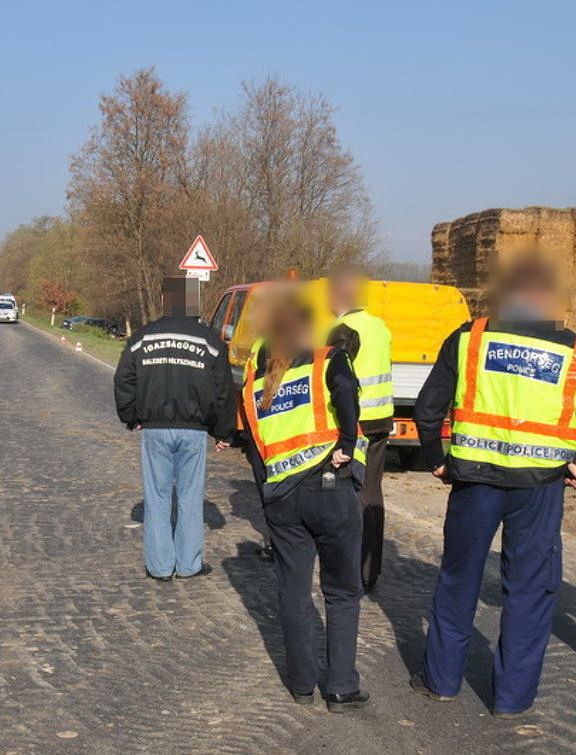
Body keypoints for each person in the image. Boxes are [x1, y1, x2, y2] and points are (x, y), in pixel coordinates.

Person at [411, 255, 576, 717]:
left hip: (474, 483)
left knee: (458, 579)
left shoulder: (470, 338)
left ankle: (441, 681)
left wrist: (437, 462)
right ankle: (512, 699)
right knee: (529, 589)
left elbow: (428, 409)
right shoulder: (575, 350)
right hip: (540, 487)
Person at [240, 285, 370, 712]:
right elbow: (348, 398)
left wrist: (267, 495)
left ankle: (300, 683)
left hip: (281, 497)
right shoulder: (326, 361)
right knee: (342, 590)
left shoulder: (255, 385)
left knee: (293, 592)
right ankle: (340, 687)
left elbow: (253, 446)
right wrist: (348, 443)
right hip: (329, 488)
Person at [114, 277, 236, 581]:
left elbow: (124, 380)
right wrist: (223, 431)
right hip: (194, 430)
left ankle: (159, 566)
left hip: (155, 428)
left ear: (165, 301)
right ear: (193, 303)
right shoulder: (209, 341)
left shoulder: (143, 337)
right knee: (191, 497)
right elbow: (224, 389)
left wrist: (132, 416)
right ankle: (188, 565)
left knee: (156, 497)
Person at [326, 271, 394, 593]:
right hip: (381, 420)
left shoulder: (343, 330)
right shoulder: (379, 326)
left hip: (358, 422)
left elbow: (335, 378)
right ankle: (371, 569)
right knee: (373, 491)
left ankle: (351, 569)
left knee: (351, 495)